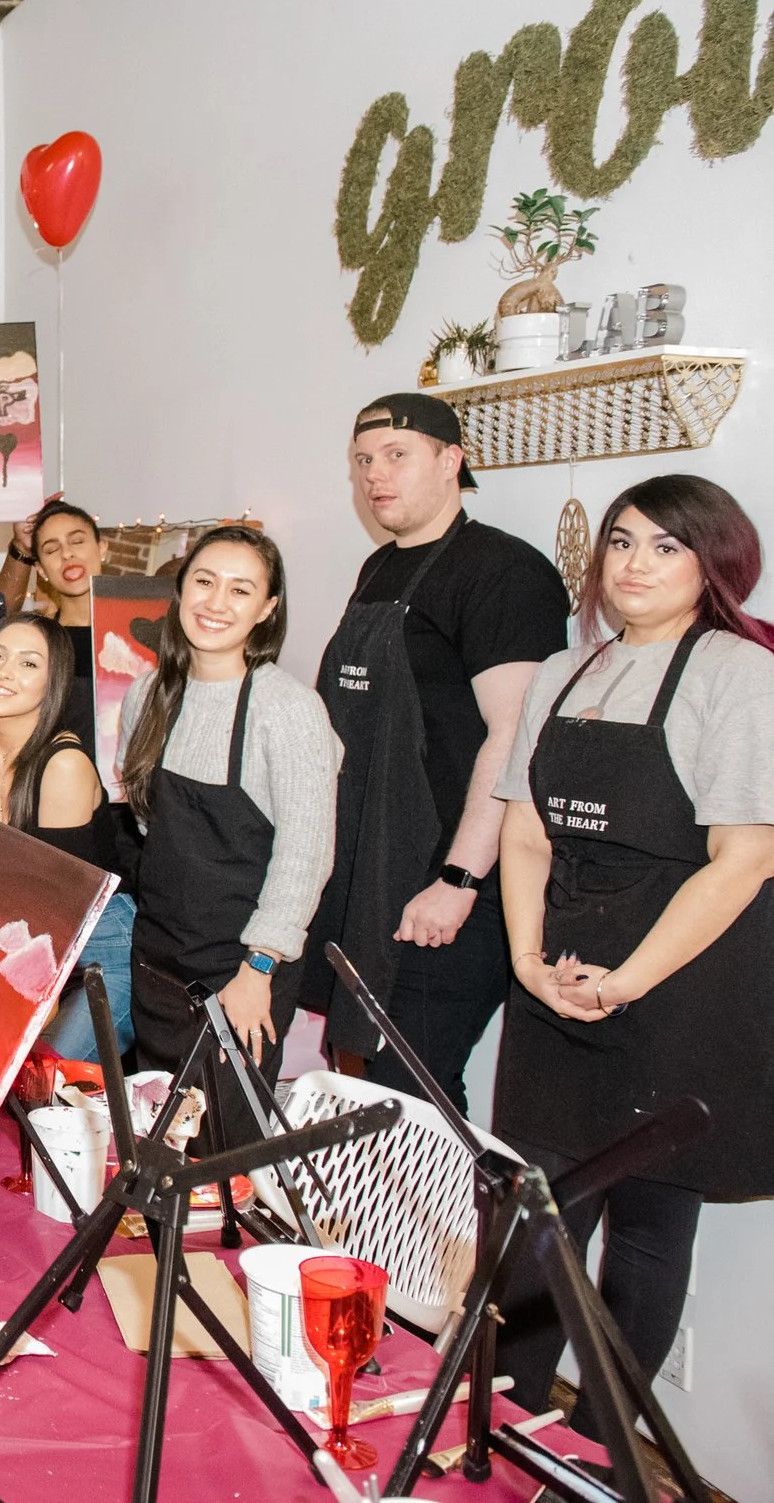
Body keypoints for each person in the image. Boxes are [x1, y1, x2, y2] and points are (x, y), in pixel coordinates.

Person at [487, 476, 774, 1417]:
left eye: (664, 546)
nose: (634, 564)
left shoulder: (739, 673)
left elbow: (743, 861)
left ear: (713, 563)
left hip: (681, 987)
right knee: (536, 1220)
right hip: (559, 979)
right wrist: (530, 962)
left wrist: (627, 983)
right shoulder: (569, 672)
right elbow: (526, 831)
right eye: (620, 542)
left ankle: (595, 1443)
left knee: (649, 1226)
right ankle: (507, 1420)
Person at [306, 394, 569, 1110]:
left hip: (453, 882)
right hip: (376, 876)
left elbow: (515, 734)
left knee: (412, 1088)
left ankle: (459, 1227)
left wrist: (458, 879)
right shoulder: (379, 569)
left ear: (451, 460)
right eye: (363, 460)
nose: (375, 475)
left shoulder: (505, 572)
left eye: (396, 456)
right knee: (360, 1078)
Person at [118, 528, 341, 1144]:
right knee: (154, 1143)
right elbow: (145, 818)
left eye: (241, 590)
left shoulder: (287, 709)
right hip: (158, 960)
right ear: (180, 589)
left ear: (268, 609)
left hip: (241, 973)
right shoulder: (149, 693)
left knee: (222, 1151)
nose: (216, 603)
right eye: (204, 582)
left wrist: (259, 969)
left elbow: (306, 853)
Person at [0, 615, 137, 1059]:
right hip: (19, 936)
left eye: (29, 664)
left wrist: (20, 1012)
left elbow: (58, 908)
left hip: (98, 948)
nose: (5, 671)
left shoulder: (62, 766)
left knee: (42, 1079)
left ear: (53, 684)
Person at [17, 501, 111, 757]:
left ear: (102, 548)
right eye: (51, 549)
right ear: (40, 569)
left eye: (77, 541)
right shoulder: (40, 643)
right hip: (65, 786)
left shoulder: (141, 632)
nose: (67, 554)